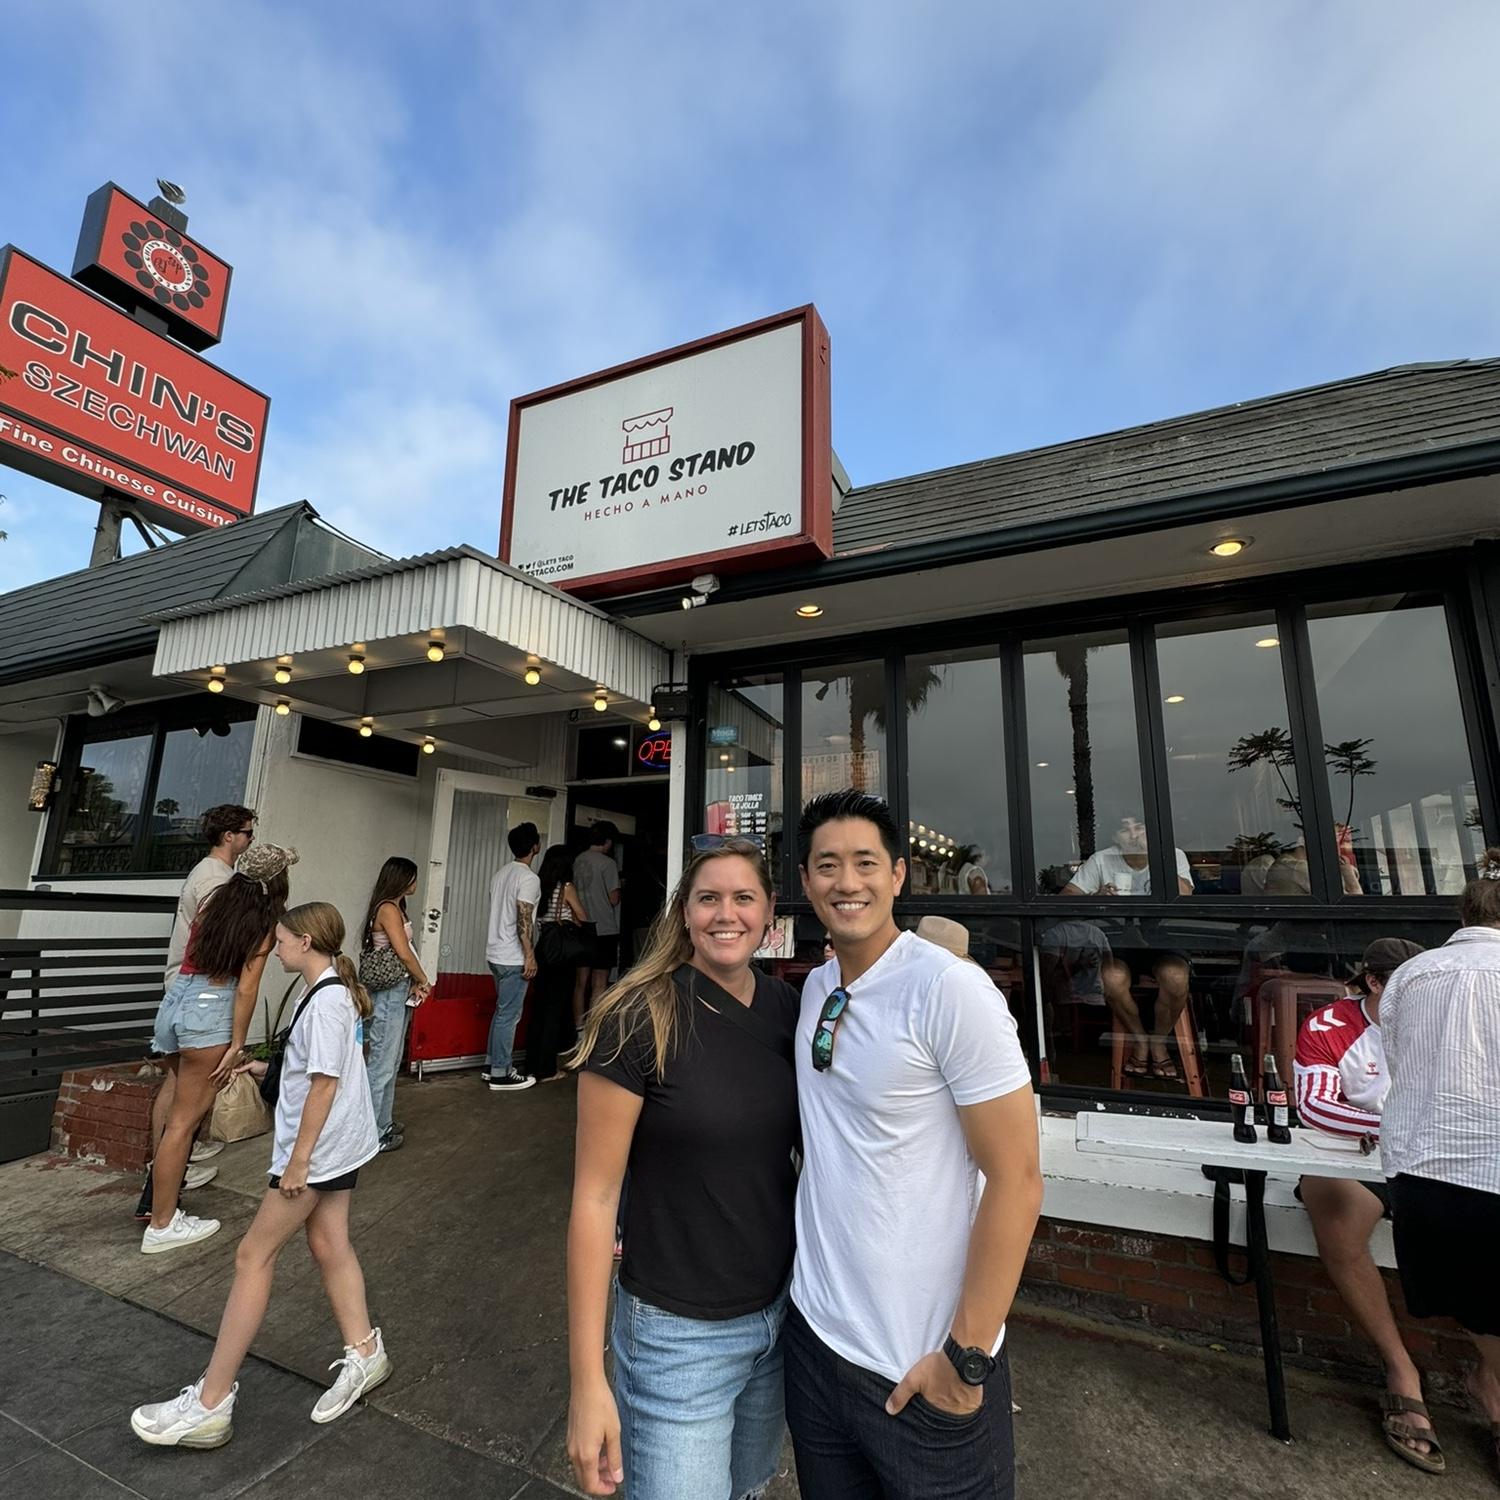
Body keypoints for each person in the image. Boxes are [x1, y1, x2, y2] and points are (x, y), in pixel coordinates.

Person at [786, 790, 1040, 1500]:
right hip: (817, 1345)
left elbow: (1017, 1178)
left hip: (921, 1367)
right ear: (805, 882)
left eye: (865, 862)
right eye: (827, 865)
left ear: (899, 875)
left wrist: (965, 1362)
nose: (847, 882)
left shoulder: (950, 991)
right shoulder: (815, 990)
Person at [565, 839, 799, 1499]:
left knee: (749, 1489)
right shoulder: (636, 1016)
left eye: (744, 897)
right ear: (685, 912)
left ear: (769, 911)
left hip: (777, 1319)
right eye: (709, 898)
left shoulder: (786, 1011)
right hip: (676, 1337)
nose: (727, 914)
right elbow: (593, 1199)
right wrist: (589, 1382)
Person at [130, 902, 387, 1448]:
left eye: (282, 940)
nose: (274, 948)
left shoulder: (326, 1002)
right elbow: (316, 1068)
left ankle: (210, 1402)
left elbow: (324, 1084)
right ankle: (366, 1352)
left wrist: (298, 1162)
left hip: (318, 1152)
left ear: (306, 943)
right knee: (329, 1242)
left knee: (252, 1256)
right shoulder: (322, 991)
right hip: (338, 1147)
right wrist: (265, 1068)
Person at [1293, 938, 1442, 1473]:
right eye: (1406, 984)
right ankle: (1401, 1370)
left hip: (1439, 1157)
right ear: (1375, 983)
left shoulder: (1443, 1020)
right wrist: (1389, 1128)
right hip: (1355, 1159)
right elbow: (1314, 1106)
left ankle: (1489, 1384)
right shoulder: (1329, 1026)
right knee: (1336, 1213)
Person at [1381, 851, 1500, 1484]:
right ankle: (1492, 1393)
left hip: (1422, 1167)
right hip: (1486, 1168)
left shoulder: (1412, 974)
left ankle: (1488, 1387)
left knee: (1472, 1297)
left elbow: (1395, 1057)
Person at [142, 843, 298, 1254]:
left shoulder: (215, 905)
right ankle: (161, 1224)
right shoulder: (264, 922)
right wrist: (237, 1044)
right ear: (275, 882)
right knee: (183, 1125)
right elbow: (246, 987)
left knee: (177, 1115)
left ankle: (161, 1209)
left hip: (177, 1002)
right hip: (209, 1013)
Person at [134, 803, 256, 1221]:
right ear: (229, 837)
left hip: (182, 991)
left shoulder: (204, 873)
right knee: (183, 1110)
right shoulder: (217, 880)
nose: (249, 840)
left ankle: (164, 1176)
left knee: (176, 1090)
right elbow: (214, 942)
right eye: (247, 833)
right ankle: (163, 1185)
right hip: (203, 993)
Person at [1061, 814, 1194, 1081]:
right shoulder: (1102, 859)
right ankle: (1140, 1040)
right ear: (1115, 838)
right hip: (1118, 938)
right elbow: (1065, 899)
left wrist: (1154, 855)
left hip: (1162, 937)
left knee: (1176, 977)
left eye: (1140, 827)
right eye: (1126, 830)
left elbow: (1185, 894)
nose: (1133, 834)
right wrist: (1095, 897)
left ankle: (1158, 1041)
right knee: (1111, 978)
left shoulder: (1171, 854)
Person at [358, 857, 433, 1152]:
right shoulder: (388, 909)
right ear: (402, 879)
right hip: (389, 991)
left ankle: (383, 1121)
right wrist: (423, 978)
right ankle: (372, 1132)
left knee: (389, 1060)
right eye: (413, 877)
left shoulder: (394, 907)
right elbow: (402, 952)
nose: (416, 882)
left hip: (397, 987)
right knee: (381, 1063)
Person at [484, 821, 541, 1092]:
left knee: (501, 1012)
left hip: (494, 953)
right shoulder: (528, 878)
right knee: (509, 1015)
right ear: (535, 846)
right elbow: (524, 917)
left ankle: (491, 1064)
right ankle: (501, 1073)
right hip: (512, 956)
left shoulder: (500, 874)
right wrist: (529, 955)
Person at [532, 845, 590, 1083]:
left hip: (543, 948)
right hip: (561, 952)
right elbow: (582, 917)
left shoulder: (540, 886)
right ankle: (547, 1069)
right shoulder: (566, 887)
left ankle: (533, 1063)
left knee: (540, 1008)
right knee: (555, 1008)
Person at [573, 821, 623, 1019]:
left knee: (579, 983)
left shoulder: (577, 860)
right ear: (608, 842)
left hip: (580, 927)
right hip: (604, 929)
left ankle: (579, 1029)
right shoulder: (608, 864)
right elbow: (614, 899)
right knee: (600, 982)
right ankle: (594, 1028)